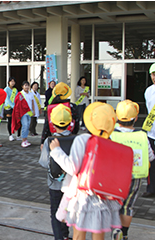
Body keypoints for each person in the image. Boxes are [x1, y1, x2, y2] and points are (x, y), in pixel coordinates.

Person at [49, 102, 122, 240]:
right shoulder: (112, 143)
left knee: (78, 234)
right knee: (98, 232)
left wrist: (56, 151)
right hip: (103, 196)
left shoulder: (82, 140)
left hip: (82, 195)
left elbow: (72, 168)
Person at [110, 100, 155, 240]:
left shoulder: (111, 135)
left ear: (116, 116)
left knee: (114, 203)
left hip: (114, 178)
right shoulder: (142, 136)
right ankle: (125, 233)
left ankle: (116, 229)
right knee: (127, 206)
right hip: (134, 177)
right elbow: (151, 157)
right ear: (135, 118)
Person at [39, 104, 72, 240]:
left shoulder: (49, 141)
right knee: (68, 210)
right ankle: (66, 235)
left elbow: (43, 162)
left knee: (55, 212)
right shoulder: (76, 139)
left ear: (52, 123)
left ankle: (60, 237)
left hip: (54, 184)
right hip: (71, 184)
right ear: (70, 123)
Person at [41, 82, 79, 150]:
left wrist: (43, 141)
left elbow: (46, 127)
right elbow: (76, 124)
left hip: (54, 139)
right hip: (69, 138)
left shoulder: (51, 107)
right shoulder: (72, 107)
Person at [142, 63, 155, 198]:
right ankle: (151, 188)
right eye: (153, 74)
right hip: (151, 132)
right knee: (151, 162)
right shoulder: (148, 91)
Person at [12, 81, 35, 148]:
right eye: (25, 85)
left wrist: (33, 110)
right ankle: (23, 140)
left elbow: (32, 102)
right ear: (22, 86)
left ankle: (26, 139)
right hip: (23, 113)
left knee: (28, 126)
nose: (27, 87)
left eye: (28, 85)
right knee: (25, 125)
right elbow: (17, 103)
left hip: (29, 112)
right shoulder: (20, 94)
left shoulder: (31, 94)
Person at [4, 77, 18, 141]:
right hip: (8, 108)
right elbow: (7, 99)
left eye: (13, 81)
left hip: (15, 107)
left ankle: (18, 135)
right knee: (10, 121)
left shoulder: (15, 90)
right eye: (11, 81)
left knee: (16, 121)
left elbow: (17, 98)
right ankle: (10, 135)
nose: (12, 83)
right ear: (9, 82)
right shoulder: (6, 89)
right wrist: (13, 106)